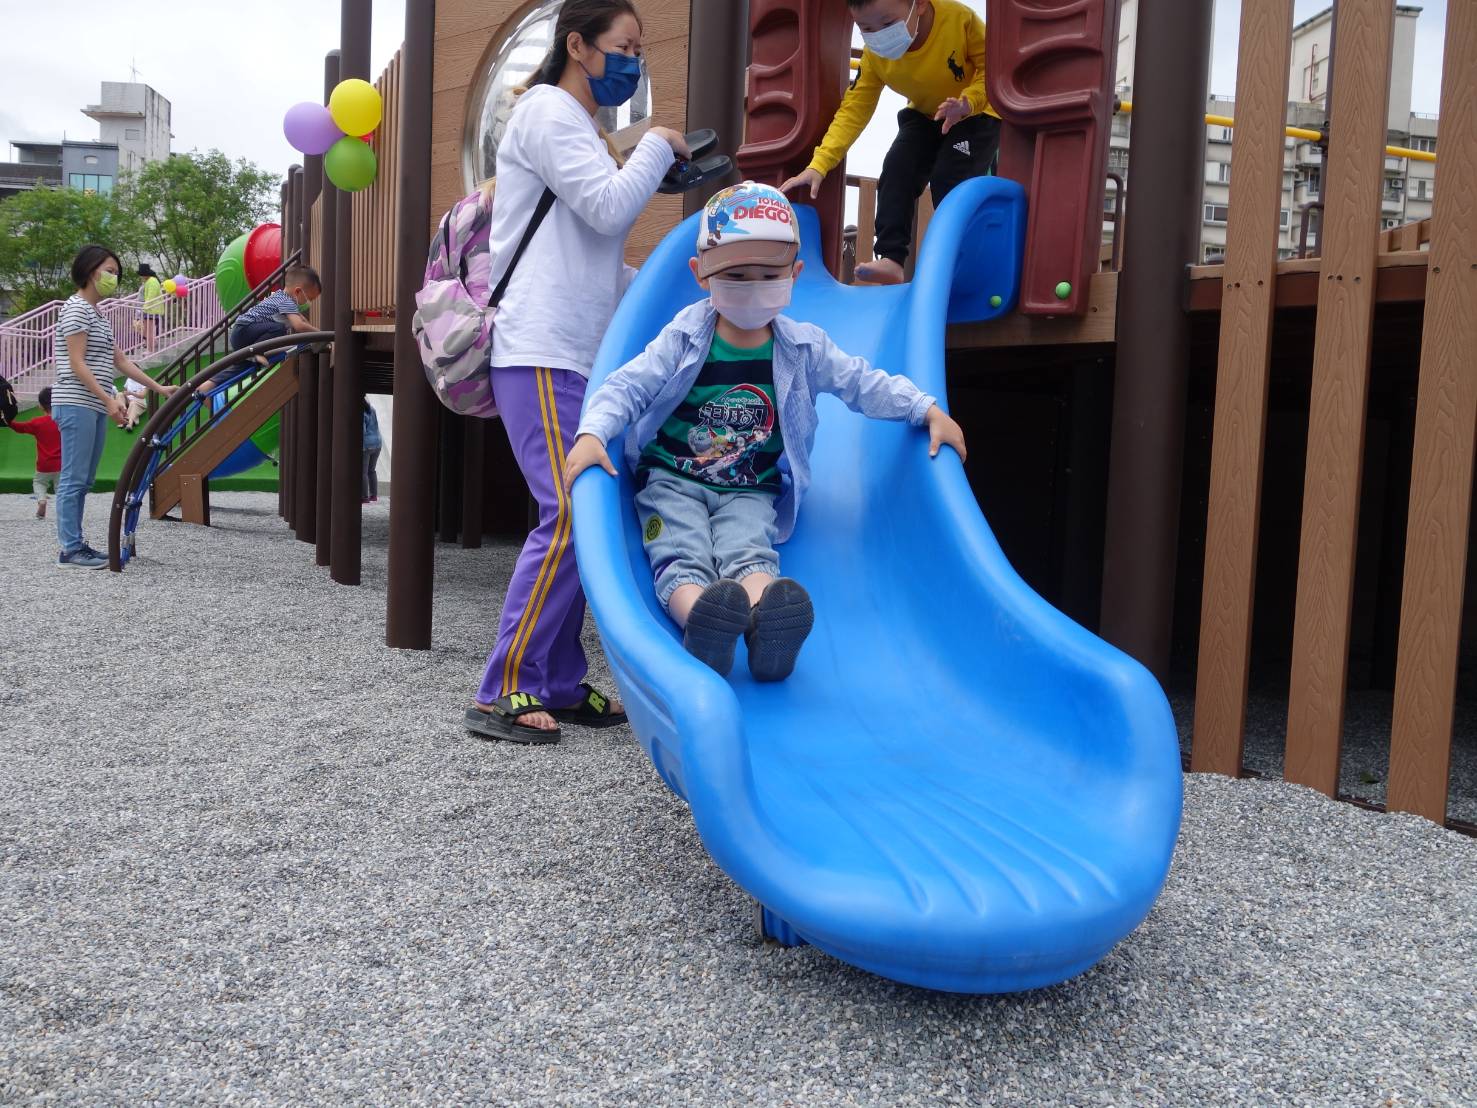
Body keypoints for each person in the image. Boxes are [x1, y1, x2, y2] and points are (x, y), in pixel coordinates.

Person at [564, 183, 967, 680]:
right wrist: (593, 433)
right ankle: (701, 621)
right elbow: (629, 384)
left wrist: (923, 408)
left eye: (769, 275)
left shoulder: (804, 348)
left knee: (750, 553)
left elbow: (861, 382)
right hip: (673, 478)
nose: (753, 287)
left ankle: (765, 624)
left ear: (794, 274)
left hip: (749, 488)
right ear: (701, 273)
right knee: (682, 549)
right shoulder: (685, 337)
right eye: (736, 276)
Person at [463, 0, 694, 745]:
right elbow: (605, 209)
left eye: (639, 49)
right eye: (623, 46)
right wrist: (654, 146)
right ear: (578, 45)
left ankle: (558, 682)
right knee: (567, 511)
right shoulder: (545, 112)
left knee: (586, 514)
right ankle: (501, 688)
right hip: (540, 348)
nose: (633, 61)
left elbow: (590, 259)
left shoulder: (579, 128)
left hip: (576, 353)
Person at [779, 0, 1001, 285]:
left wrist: (968, 103)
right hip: (926, 113)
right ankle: (892, 259)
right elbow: (853, 111)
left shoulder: (959, 20)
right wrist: (819, 165)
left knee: (950, 177)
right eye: (866, 28)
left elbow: (993, 68)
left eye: (887, 23)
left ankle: (965, 257)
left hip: (976, 113)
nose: (879, 35)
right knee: (897, 168)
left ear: (920, 5)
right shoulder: (875, 56)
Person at [52, 244, 176, 569]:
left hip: (92, 403)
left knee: (84, 479)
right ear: (90, 270)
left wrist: (158, 388)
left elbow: (120, 361)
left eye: (116, 273)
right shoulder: (76, 309)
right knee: (74, 478)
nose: (114, 277)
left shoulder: (97, 315)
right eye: (110, 271)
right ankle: (69, 549)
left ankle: (76, 544)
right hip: (76, 401)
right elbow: (77, 363)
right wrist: (109, 399)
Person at [6, 386, 61, 520]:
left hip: (44, 464)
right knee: (61, 488)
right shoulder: (62, 421)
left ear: (41, 406)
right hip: (62, 463)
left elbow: (20, 427)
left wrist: (7, 421)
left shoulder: (37, 423)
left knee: (39, 483)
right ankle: (63, 509)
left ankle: (42, 501)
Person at [137, 263, 165, 353]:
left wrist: (144, 308)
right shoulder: (150, 281)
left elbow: (151, 297)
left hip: (152, 309)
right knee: (147, 329)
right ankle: (151, 346)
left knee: (149, 330)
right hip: (150, 309)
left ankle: (150, 349)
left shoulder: (152, 281)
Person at [362, 398, 382, 504]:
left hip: (367, 445)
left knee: (363, 472)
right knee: (371, 470)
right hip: (377, 443)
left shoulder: (361, 412)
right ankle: (373, 495)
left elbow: (362, 431)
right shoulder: (372, 409)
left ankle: (364, 497)